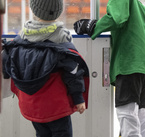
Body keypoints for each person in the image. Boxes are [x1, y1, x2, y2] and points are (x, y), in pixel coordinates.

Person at [2, 0, 89, 136]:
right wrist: (78, 98)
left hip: (32, 104)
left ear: (34, 10)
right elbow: (72, 71)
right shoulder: (62, 36)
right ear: (59, 11)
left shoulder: (23, 35)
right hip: (55, 106)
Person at [73, 0, 145, 136]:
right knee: (142, 118)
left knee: (127, 115)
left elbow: (117, 18)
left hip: (129, 65)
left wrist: (93, 26)